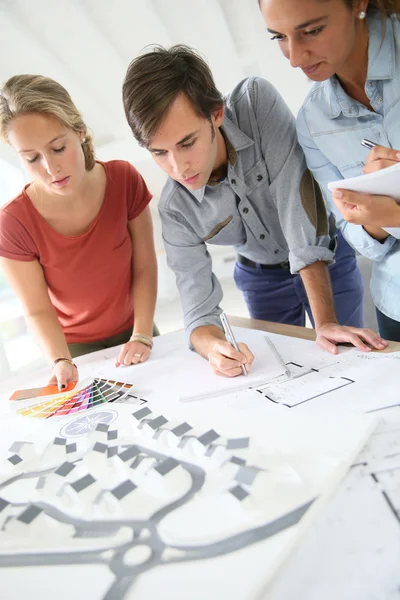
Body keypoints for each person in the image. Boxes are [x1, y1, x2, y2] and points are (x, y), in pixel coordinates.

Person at [122, 45, 386, 378]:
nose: (178, 167)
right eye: (160, 153)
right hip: (261, 281)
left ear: (216, 114)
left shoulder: (255, 102)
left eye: (188, 142)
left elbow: (295, 199)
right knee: (283, 374)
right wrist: (213, 348)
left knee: (347, 362)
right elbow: (198, 311)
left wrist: (327, 323)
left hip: (326, 261)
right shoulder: (175, 210)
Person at [0, 75, 158, 390]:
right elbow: (37, 308)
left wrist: (141, 334)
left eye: (58, 148)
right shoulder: (13, 223)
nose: (50, 167)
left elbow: (144, 266)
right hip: (71, 348)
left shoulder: (124, 179)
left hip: (136, 328)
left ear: (79, 132)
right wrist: (60, 360)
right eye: (31, 158)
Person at [259, 0, 400, 340]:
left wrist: (391, 214)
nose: (294, 57)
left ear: (358, 5)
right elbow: (361, 241)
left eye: (312, 31)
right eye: (279, 37)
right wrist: (374, 218)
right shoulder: (312, 122)